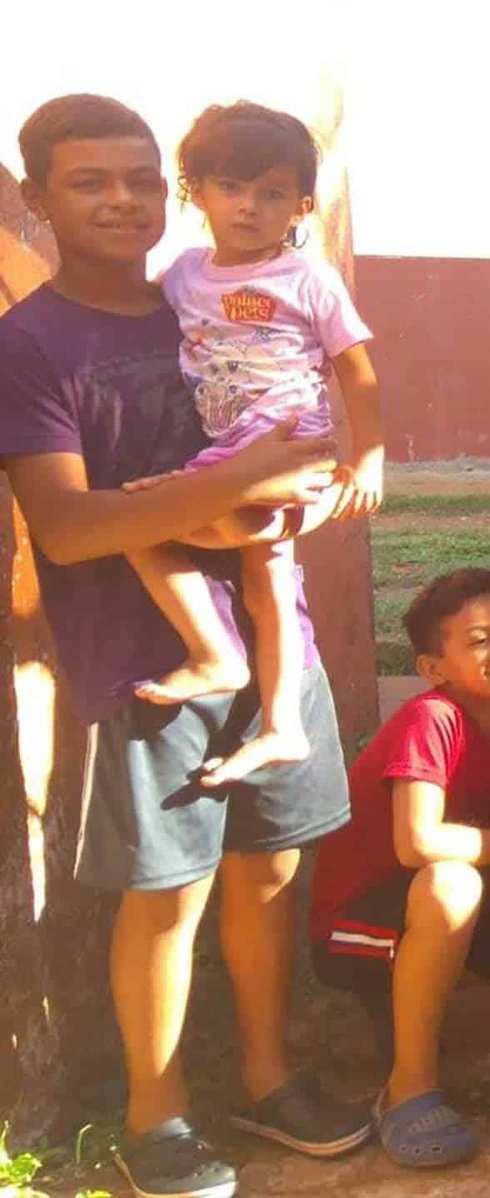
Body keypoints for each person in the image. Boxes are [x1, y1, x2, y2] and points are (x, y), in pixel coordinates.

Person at [0, 94, 368, 1198]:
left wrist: (307, 486)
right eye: (88, 182)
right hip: (142, 664)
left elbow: (310, 420)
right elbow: (70, 526)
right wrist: (239, 483)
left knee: (270, 867)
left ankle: (266, 1077)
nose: (122, 201)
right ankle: (154, 1118)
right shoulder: (32, 345)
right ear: (38, 200)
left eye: (139, 179)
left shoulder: (208, 293)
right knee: (166, 892)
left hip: (273, 636)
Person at [121, 101, 383, 787]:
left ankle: (218, 658)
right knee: (262, 575)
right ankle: (279, 723)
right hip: (222, 450)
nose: (248, 207)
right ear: (197, 192)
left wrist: (368, 459)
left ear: (300, 207)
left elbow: (356, 370)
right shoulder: (183, 274)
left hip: (290, 442)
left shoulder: (306, 278)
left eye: (271, 193)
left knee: (145, 525)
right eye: (231, 187)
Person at [307, 567, 490, 1167]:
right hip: (355, 928)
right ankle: (408, 1088)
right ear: (433, 668)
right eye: (480, 640)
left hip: (416, 907)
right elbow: (417, 844)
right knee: (454, 881)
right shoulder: (432, 718)